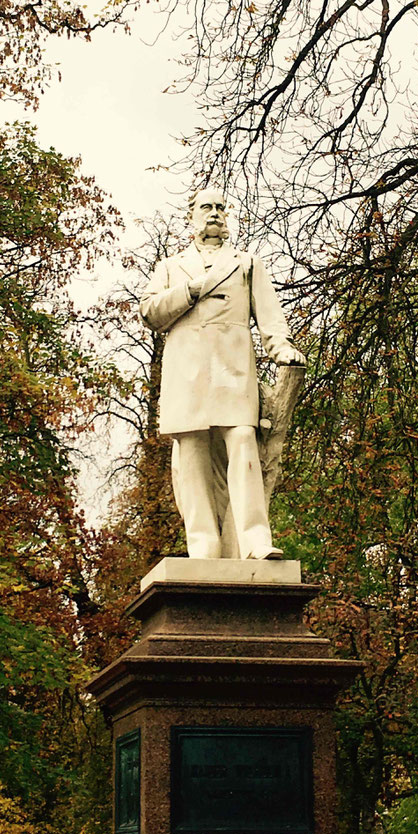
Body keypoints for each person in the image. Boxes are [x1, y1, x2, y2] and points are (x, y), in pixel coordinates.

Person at [139, 189, 303, 559]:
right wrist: (190, 290)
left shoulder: (247, 263)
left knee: (244, 439)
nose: (214, 214)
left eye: (220, 208)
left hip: (233, 369)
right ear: (191, 217)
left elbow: (270, 317)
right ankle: (204, 546)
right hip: (187, 372)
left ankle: (254, 541)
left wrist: (281, 350)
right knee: (192, 453)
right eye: (206, 208)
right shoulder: (170, 266)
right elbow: (150, 313)